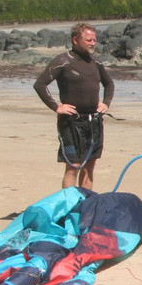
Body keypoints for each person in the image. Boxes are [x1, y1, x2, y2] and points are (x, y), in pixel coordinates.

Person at [34, 23, 114, 189]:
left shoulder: (95, 62)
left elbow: (109, 84)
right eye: (88, 40)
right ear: (75, 40)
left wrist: (106, 103)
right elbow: (40, 84)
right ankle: (69, 208)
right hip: (71, 123)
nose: (93, 43)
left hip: (94, 122)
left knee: (89, 166)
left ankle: (85, 207)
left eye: (94, 40)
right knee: (73, 166)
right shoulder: (63, 61)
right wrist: (56, 107)